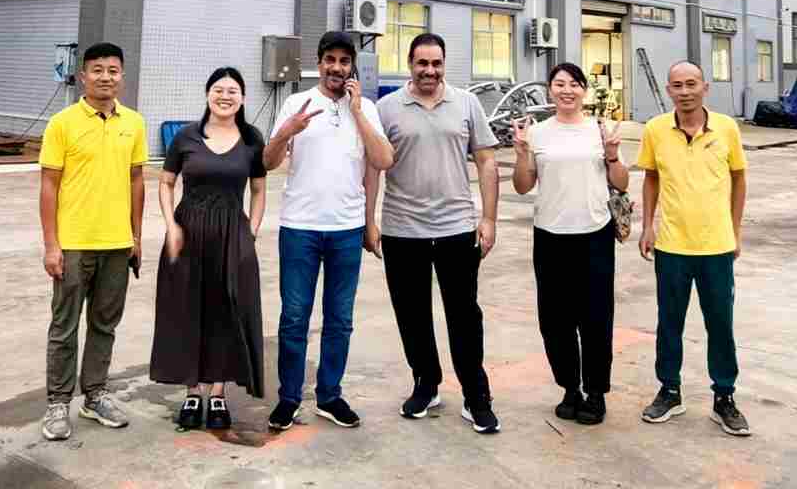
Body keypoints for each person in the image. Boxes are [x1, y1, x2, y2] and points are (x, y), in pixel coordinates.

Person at [365, 32, 501, 433]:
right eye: (422, 63)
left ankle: (477, 395)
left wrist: (489, 218)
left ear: (445, 64)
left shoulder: (467, 103)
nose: (430, 71)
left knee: (464, 315)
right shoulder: (385, 109)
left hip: (457, 228)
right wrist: (369, 220)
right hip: (402, 229)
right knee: (412, 315)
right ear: (410, 64)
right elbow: (373, 167)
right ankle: (426, 382)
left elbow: (487, 161)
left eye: (436, 63)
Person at [263, 31, 395, 433]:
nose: (336, 67)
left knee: (339, 319)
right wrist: (288, 131)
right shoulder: (295, 102)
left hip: (346, 229)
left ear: (352, 66)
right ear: (318, 63)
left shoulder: (367, 109)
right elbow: (267, 162)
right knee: (295, 317)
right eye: (329, 60)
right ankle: (288, 399)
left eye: (344, 61)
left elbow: (382, 160)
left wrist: (356, 111)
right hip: (300, 228)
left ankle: (330, 395)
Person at [38, 42, 147, 441]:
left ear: (122, 76)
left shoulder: (133, 123)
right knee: (64, 327)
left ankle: (95, 395)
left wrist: (136, 237)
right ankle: (57, 403)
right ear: (83, 76)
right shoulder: (62, 124)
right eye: (97, 70)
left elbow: (137, 181)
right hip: (74, 244)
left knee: (105, 324)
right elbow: (49, 185)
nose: (105, 77)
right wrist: (52, 245)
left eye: (113, 70)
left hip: (117, 244)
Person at [636, 60, 751, 436]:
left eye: (691, 84)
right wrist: (647, 227)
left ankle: (725, 397)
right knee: (669, 322)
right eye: (677, 86)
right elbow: (651, 179)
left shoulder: (727, 129)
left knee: (721, 325)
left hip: (716, 246)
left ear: (705, 87)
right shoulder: (655, 130)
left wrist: (734, 231)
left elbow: (738, 179)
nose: (684, 92)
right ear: (668, 91)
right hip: (671, 245)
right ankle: (669, 390)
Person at [149, 67, 268, 430]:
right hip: (188, 235)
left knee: (226, 311)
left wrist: (253, 231)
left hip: (232, 233)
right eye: (219, 89)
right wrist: (170, 225)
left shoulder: (251, 138)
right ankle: (192, 393)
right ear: (207, 95)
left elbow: (260, 190)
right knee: (187, 311)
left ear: (243, 98)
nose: (225, 96)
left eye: (233, 91)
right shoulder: (186, 137)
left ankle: (217, 393)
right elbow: (166, 183)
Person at [511, 61, 627, 426]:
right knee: (555, 319)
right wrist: (521, 153)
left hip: (594, 234)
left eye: (574, 84)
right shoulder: (537, 133)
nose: (567, 90)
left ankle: (595, 392)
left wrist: (611, 152)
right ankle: (569, 388)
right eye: (559, 84)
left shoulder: (599, 129)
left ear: (584, 91)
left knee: (595, 317)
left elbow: (621, 182)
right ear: (550, 90)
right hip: (550, 236)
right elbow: (523, 186)